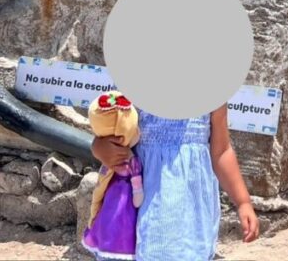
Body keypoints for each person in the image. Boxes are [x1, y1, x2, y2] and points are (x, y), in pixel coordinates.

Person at [93, 105, 258, 260]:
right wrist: (99, 147)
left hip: (185, 206)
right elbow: (107, 131)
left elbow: (221, 151)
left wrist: (243, 202)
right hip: (132, 198)